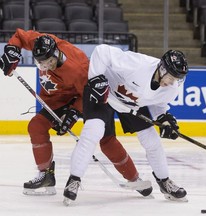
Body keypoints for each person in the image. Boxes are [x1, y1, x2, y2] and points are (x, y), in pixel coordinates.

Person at [0, 28, 152, 196]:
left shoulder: (78, 67)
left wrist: (73, 114)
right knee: (36, 126)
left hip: (92, 96)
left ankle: (134, 179)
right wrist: (11, 50)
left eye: (49, 62)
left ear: (57, 54)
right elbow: (20, 36)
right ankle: (45, 176)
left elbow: (87, 94)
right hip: (58, 99)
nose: (45, 67)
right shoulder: (43, 43)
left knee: (107, 141)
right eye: (41, 63)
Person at [63, 44, 188, 204]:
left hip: (131, 103)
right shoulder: (138, 64)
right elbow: (102, 51)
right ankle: (74, 180)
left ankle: (164, 182)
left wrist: (163, 119)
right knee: (93, 132)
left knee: (152, 140)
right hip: (103, 92)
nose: (172, 83)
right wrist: (95, 78)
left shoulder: (172, 87)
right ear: (162, 69)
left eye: (176, 79)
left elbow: (158, 104)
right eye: (171, 77)